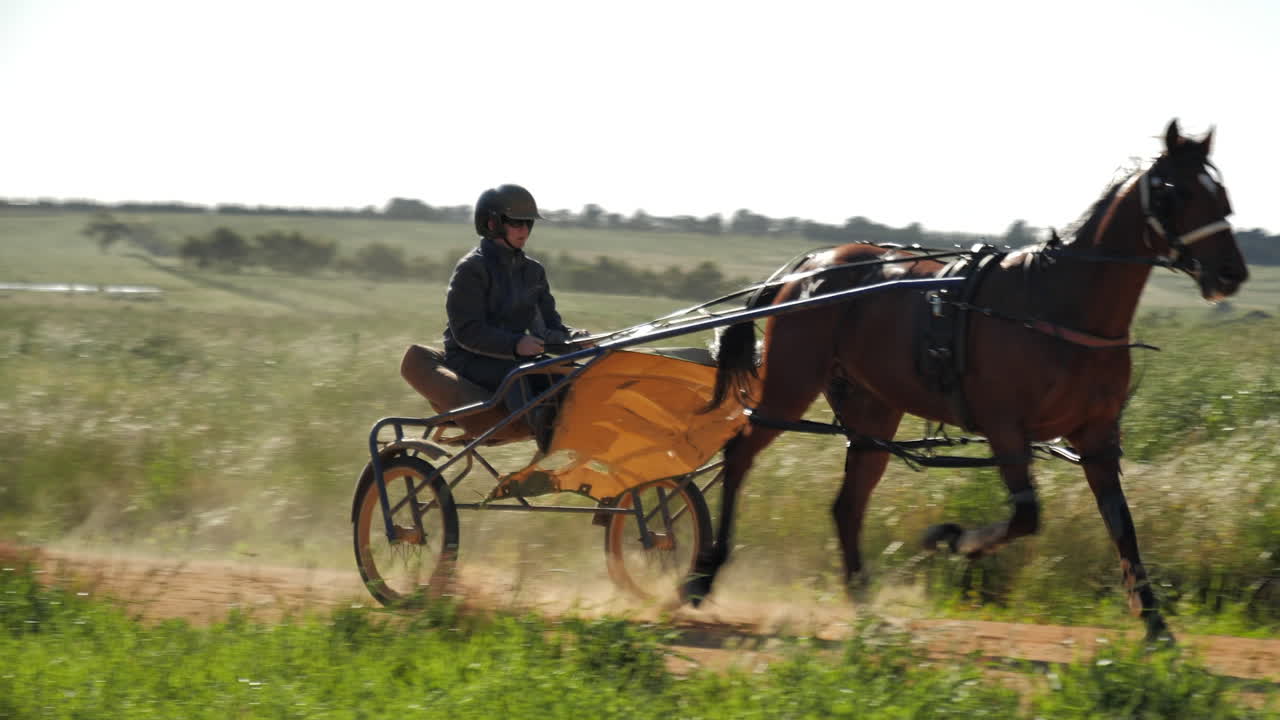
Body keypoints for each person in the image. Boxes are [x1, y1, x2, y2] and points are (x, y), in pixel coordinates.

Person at [440, 184, 589, 448]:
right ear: (492, 223)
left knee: (574, 375)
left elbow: (549, 327)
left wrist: (577, 340)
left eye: (528, 224)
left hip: (517, 359)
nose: (524, 231)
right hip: (469, 360)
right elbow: (467, 331)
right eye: (516, 223)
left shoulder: (533, 272)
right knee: (523, 374)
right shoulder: (471, 269)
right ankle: (549, 445)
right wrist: (515, 344)